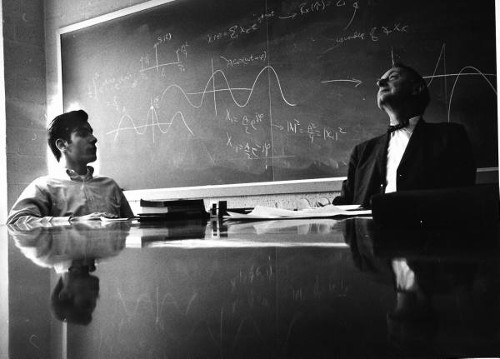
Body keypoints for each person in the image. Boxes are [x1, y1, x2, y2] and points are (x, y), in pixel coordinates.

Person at [333, 63, 476, 208]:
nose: (379, 83)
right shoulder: (361, 151)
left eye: (393, 77)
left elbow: (460, 197)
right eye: (380, 81)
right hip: (368, 230)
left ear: (416, 88)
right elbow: (346, 202)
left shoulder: (450, 136)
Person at [7, 110, 134, 224]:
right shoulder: (43, 186)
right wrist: (74, 221)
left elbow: (132, 225)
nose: (94, 139)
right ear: (62, 145)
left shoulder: (110, 185)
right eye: (83, 134)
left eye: (91, 133)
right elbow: (15, 221)